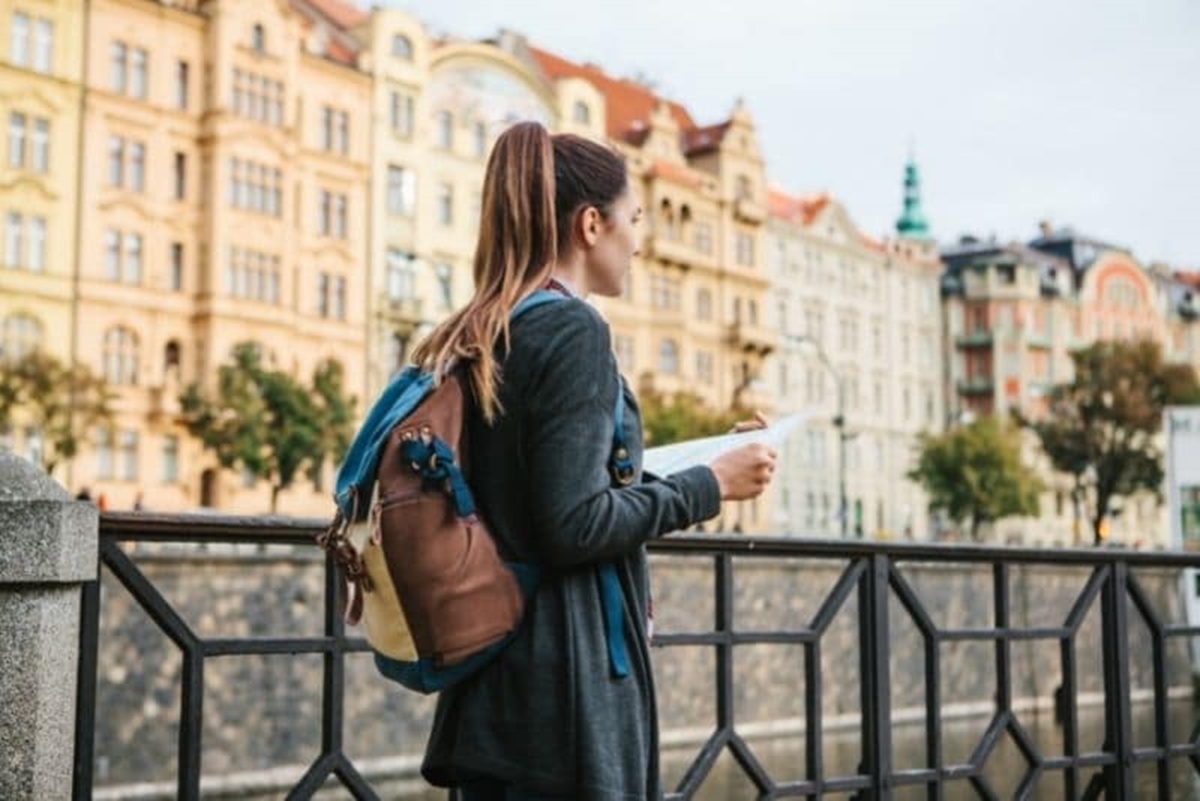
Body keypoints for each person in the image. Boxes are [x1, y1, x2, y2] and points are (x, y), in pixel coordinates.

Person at [413, 121, 776, 799]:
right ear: (590, 224)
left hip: (497, 684)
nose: (638, 240)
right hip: (563, 694)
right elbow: (573, 523)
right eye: (632, 219)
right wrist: (711, 485)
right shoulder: (573, 329)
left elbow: (556, 485)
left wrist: (705, 460)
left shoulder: (491, 323)